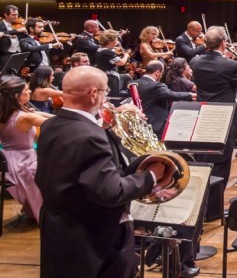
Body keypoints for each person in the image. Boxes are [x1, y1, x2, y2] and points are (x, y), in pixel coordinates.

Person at [35, 66, 168, 278]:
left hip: (60, 230)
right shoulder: (90, 136)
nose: (107, 99)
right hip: (94, 239)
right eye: (105, 92)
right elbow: (111, 192)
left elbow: (77, 157)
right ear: (93, 94)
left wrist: (107, 121)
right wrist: (151, 176)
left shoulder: (52, 125)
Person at [190, 26, 237, 219]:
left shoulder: (195, 62)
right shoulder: (230, 66)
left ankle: (201, 206)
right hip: (223, 118)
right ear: (223, 43)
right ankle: (214, 210)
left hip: (203, 116)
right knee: (222, 162)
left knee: (203, 159)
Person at [0, 75, 52, 226]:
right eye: (27, 90)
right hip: (24, 163)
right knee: (58, 170)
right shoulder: (24, 117)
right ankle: (51, 213)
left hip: (9, 160)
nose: (30, 92)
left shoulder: (7, 113)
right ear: (17, 96)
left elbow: (39, 116)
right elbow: (56, 122)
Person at [134, 60, 195, 137]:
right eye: (162, 73)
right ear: (158, 73)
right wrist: (189, 95)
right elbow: (171, 94)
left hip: (137, 124)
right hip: (155, 126)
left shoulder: (134, 83)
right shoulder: (156, 86)